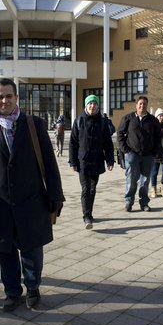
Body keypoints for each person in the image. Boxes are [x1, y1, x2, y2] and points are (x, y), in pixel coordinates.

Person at [0, 78, 64, 312]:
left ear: (17, 97)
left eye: (9, 96)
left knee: (31, 249)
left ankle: (32, 288)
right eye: (0, 97)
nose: (5, 100)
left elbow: (49, 163)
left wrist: (55, 194)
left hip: (31, 200)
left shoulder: (34, 125)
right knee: (6, 251)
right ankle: (12, 291)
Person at [69, 95, 115, 229]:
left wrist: (110, 160)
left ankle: (89, 212)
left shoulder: (102, 122)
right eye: (90, 104)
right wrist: (73, 161)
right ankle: (87, 217)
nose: (92, 106)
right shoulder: (79, 120)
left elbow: (108, 143)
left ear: (98, 106)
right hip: (83, 161)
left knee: (93, 189)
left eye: (95, 104)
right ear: (86, 105)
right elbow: (72, 143)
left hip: (97, 161)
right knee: (86, 188)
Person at [117, 95, 162, 212]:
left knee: (145, 181)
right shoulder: (128, 118)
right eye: (140, 104)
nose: (142, 106)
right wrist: (125, 150)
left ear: (147, 106)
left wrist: (155, 152)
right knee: (131, 179)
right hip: (132, 154)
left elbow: (158, 137)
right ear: (136, 105)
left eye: (144, 104)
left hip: (148, 155)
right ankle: (129, 202)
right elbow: (120, 134)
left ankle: (144, 203)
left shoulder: (153, 120)